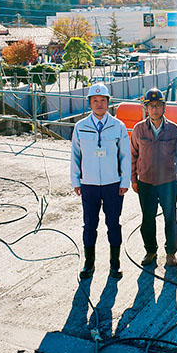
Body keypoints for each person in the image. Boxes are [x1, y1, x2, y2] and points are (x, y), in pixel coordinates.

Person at [70, 83, 131, 279]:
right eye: (95, 101)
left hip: (113, 184)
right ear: (89, 103)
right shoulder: (81, 127)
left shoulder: (118, 126)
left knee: (113, 224)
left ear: (108, 103)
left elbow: (125, 156)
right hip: (89, 185)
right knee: (89, 225)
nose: (99, 104)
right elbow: (75, 156)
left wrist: (124, 182)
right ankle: (89, 264)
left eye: (102, 101)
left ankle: (115, 264)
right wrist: (76, 181)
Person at [130, 88, 177, 268]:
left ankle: (171, 253)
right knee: (147, 219)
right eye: (151, 106)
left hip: (168, 182)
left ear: (164, 107)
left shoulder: (173, 130)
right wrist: (133, 179)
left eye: (158, 106)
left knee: (170, 218)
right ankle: (150, 250)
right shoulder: (139, 130)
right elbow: (133, 155)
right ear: (146, 108)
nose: (155, 109)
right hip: (146, 182)